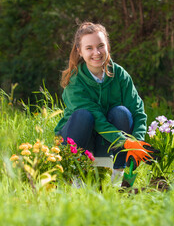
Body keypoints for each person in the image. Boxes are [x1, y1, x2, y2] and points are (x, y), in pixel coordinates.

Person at [54, 22, 156, 186]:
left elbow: (138, 111)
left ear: (107, 46)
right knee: (83, 115)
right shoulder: (75, 80)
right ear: (79, 51)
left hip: (106, 144)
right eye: (89, 48)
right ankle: (75, 177)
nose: (96, 52)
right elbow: (97, 119)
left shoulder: (120, 74)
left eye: (101, 46)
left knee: (122, 112)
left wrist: (137, 143)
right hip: (76, 142)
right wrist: (125, 141)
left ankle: (120, 178)